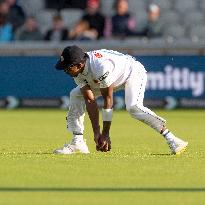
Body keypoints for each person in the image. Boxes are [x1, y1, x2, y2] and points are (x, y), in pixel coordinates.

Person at [54, 45, 188, 155]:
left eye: (68, 67)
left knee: (133, 107)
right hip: (109, 77)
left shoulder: (100, 66)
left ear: (79, 64)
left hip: (132, 73)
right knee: (75, 94)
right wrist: (96, 133)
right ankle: (78, 141)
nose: (65, 70)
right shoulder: (77, 70)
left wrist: (105, 134)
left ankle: (172, 139)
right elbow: (90, 100)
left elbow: (108, 100)